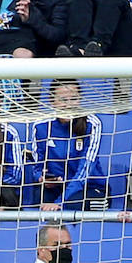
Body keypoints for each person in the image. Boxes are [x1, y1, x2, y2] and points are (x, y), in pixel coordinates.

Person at [27, 78, 112, 212]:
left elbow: (84, 171)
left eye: (73, 99)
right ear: (52, 101)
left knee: (71, 205)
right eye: (63, 100)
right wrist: (42, 177)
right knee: (38, 200)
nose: (69, 105)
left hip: (89, 188)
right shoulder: (41, 126)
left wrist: (61, 202)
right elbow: (37, 166)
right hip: (56, 187)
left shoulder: (93, 124)